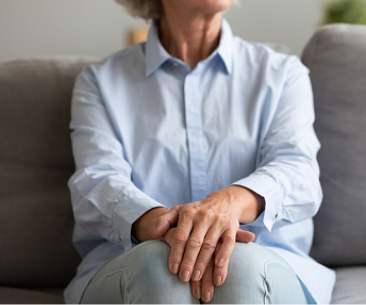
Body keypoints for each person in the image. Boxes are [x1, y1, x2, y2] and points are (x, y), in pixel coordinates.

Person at [64, 0, 335, 303]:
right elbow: (96, 179)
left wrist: (228, 203)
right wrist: (165, 227)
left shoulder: (283, 73)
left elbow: (298, 171)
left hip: (265, 260)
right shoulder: (100, 82)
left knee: (240, 265)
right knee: (157, 265)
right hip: (134, 263)